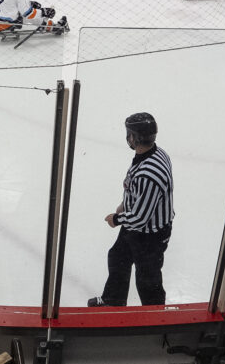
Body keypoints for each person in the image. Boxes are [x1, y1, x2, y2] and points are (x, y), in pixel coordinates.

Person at [87, 112, 174, 307]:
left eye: (129, 133)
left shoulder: (149, 173)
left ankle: (154, 315)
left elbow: (141, 218)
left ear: (135, 137)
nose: (127, 137)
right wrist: (124, 205)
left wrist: (116, 219)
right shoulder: (155, 153)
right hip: (137, 225)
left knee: (147, 279)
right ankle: (113, 300)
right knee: (118, 257)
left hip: (150, 235)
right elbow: (135, 189)